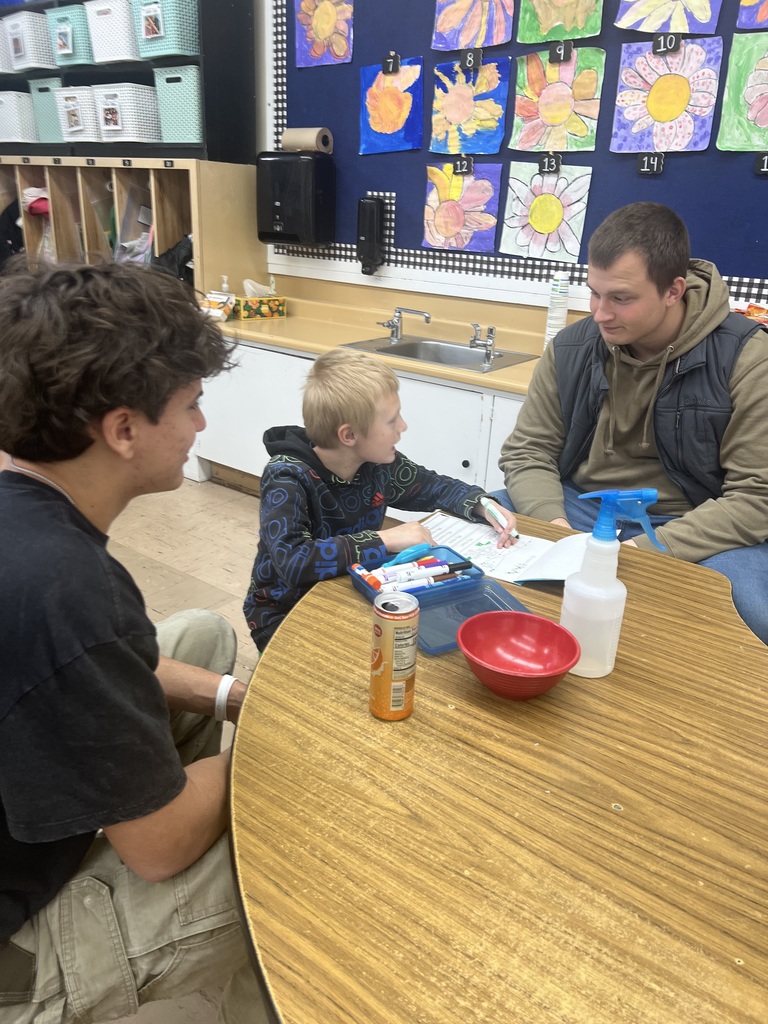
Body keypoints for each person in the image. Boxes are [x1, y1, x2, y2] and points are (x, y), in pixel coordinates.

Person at [0, 261, 269, 1023]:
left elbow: (100, 664)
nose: (201, 428)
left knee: (202, 639)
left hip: (27, 810)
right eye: (191, 405)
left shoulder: (22, 518)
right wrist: (275, 742)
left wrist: (237, 698)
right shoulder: (64, 587)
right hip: (18, 946)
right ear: (122, 430)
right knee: (294, 835)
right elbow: (161, 849)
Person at [494, 201, 768, 644]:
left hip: (693, 522)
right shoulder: (570, 348)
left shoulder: (748, 359)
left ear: (673, 291)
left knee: (744, 615)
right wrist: (555, 529)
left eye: (621, 298)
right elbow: (528, 452)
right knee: (477, 534)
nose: (600, 314)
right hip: (579, 507)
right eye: (594, 293)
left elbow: (757, 496)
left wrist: (644, 551)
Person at [244, 347, 516, 651]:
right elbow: (294, 562)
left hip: (354, 589)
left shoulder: (380, 465)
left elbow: (433, 486)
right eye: (392, 420)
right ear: (349, 436)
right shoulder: (287, 477)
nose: (403, 427)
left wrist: (482, 503)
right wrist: (385, 540)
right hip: (284, 612)